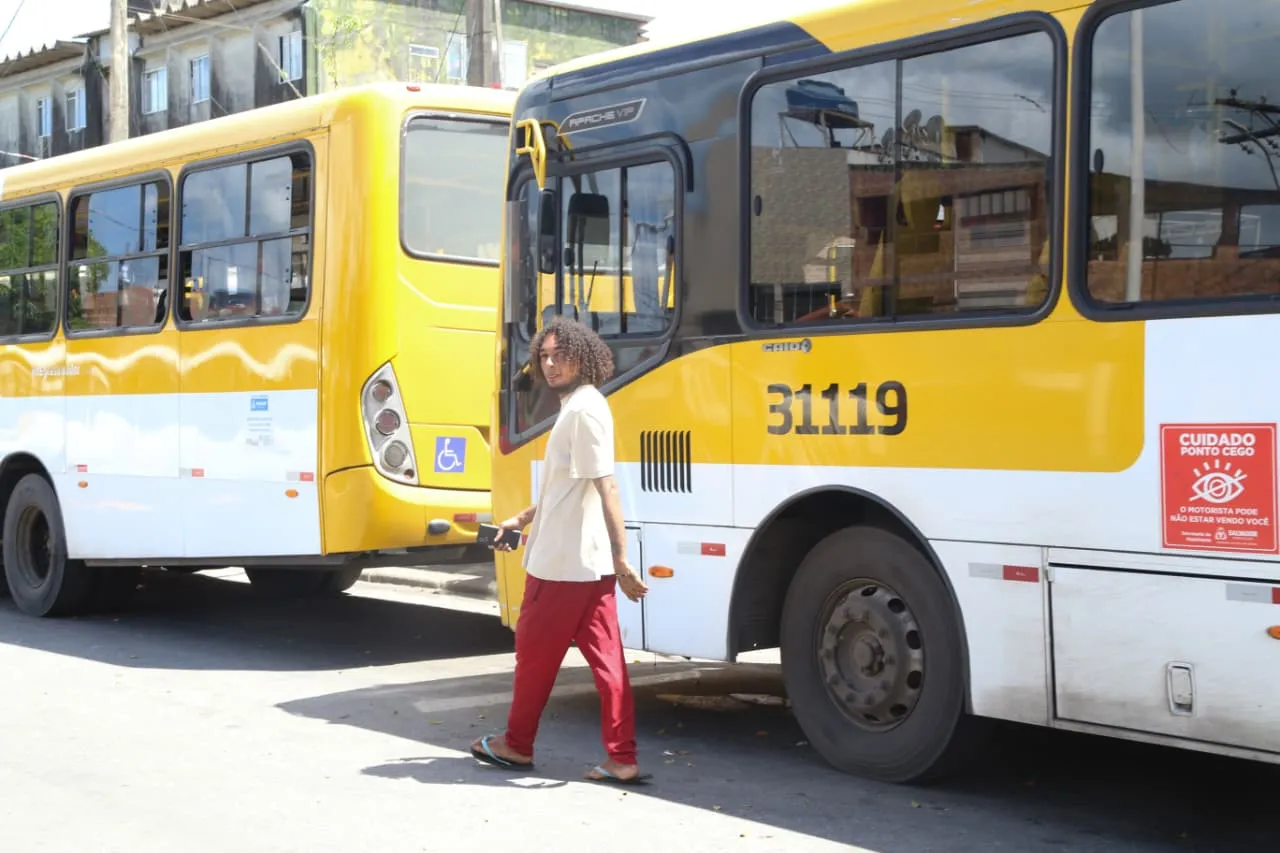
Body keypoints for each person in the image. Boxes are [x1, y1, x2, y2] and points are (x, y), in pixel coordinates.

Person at [469, 315, 651, 786]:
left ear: (583, 356)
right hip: (584, 566)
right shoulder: (582, 406)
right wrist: (521, 519)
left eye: (559, 355)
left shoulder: (583, 411)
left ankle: (517, 744)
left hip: (562, 567)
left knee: (534, 658)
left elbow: (606, 485)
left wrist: (622, 556)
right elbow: (566, 486)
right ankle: (622, 756)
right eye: (543, 356)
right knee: (609, 663)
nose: (550, 364)